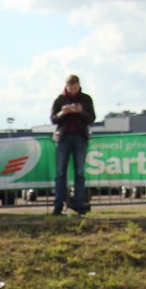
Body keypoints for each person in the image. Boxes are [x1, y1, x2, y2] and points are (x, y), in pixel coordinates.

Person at [50, 74, 96, 216]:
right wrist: (63, 113)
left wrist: (81, 111)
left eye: (75, 88)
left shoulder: (86, 99)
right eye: (71, 88)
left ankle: (79, 204)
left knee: (79, 172)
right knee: (60, 172)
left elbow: (92, 118)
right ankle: (59, 204)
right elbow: (53, 119)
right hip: (63, 139)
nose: (73, 90)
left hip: (80, 138)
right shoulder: (60, 99)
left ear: (79, 86)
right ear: (66, 86)